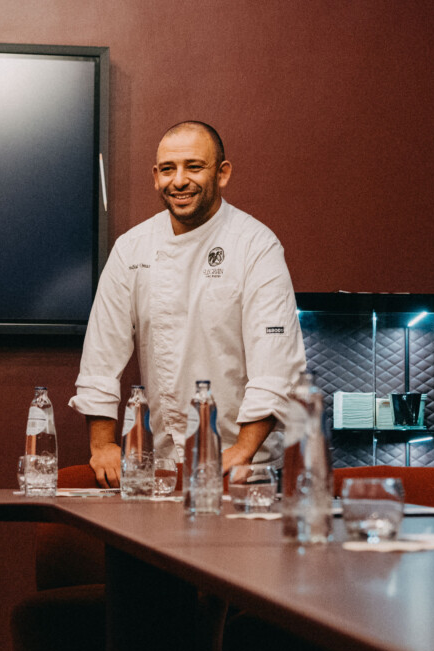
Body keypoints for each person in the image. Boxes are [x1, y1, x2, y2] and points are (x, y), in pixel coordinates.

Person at [72, 120, 306, 486]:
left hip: (244, 471)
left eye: (194, 167)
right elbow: (101, 355)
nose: (179, 180)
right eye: (168, 169)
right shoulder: (131, 248)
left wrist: (243, 450)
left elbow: (275, 365)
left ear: (222, 173)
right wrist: (102, 445)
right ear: (156, 177)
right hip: (164, 467)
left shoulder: (256, 246)